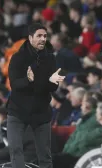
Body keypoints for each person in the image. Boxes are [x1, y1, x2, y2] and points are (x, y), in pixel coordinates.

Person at [6, 23, 65, 168]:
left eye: (45, 36)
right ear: (30, 38)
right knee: (15, 149)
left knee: (45, 155)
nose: (43, 39)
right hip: (18, 110)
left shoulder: (50, 58)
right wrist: (28, 80)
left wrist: (51, 82)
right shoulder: (18, 58)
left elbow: (52, 87)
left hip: (41, 111)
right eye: (39, 36)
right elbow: (15, 85)